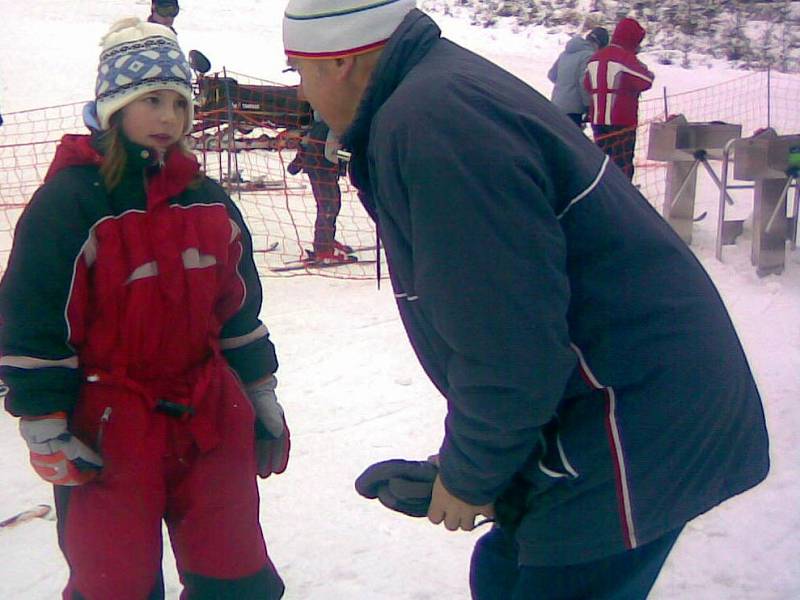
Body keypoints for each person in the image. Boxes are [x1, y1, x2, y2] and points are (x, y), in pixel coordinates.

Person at [282, 2, 770, 599]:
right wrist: (472, 465)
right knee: (501, 574)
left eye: (299, 73)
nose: (305, 95)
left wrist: (472, 473)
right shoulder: (431, 92)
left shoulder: (433, 124)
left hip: (630, 419)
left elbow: (509, 345)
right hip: (610, 402)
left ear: (339, 61)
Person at [0, 18, 287, 600]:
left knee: (233, 569)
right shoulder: (73, 203)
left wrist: (259, 391)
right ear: (113, 107)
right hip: (110, 423)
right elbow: (32, 314)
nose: (168, 119)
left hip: (209, 409)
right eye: (151, 101)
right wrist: (43, 422)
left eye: (179, 104)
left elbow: (237, 308)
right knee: (116, 579)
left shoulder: (208, 201)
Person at [583, 17, 654, 180]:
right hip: (622, 122)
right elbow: (646, 81)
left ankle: (602, 195)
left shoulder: (595, 58)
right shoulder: (625, 58)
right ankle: (622, 200)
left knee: (602, 164)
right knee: (623, 166)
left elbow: (587, 84)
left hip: (598, 120)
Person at [287, 111, 354, 263]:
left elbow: (305, 144)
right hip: (323, 169)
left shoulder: (319, 123)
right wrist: (351, 157)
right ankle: (323, 249)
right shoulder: (334, 126)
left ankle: (328, 240)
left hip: (317, 168)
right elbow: (332, 153)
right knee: (328, 207)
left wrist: (296, 164)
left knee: (332, 205)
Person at [547, 26, 609, 127]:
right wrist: (589, 106)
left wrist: (565, 85)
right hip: (573, 110)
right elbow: (584, 83)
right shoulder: (588, 56)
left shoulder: (565, 53)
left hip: (556, 104)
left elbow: (552, 75)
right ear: (599, 44)